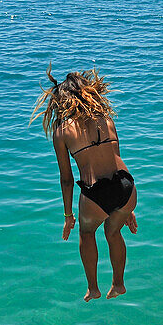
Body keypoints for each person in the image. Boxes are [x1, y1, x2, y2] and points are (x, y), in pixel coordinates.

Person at [34, 68, 138, 302]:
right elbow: (117, 158)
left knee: (87, 232)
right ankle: (118, 283)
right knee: (113, 231)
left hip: (96, 193)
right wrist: (130, 208)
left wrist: (68, 214)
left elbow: (67, 179)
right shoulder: (106, 118)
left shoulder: (62, 131)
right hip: (126, 187)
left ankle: (93, 288)